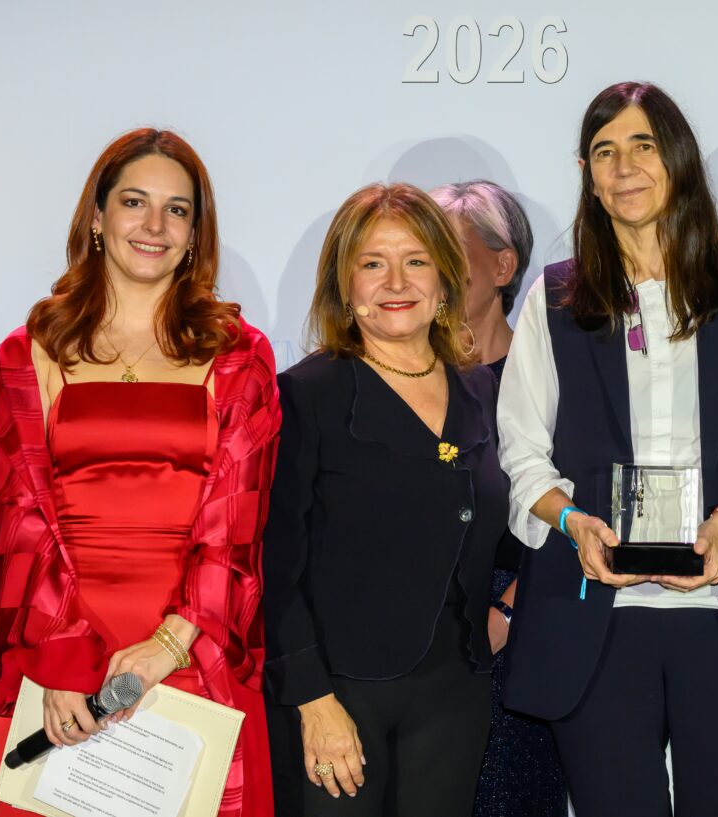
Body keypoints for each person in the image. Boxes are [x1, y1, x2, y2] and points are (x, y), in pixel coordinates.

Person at [497, 82, 718, 817]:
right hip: (599, 622)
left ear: (675, 158)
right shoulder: (555, 301)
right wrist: (571, 520)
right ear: (585, 172)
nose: (624, 167)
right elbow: (520, 451)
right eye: (604, 152)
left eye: (643, 145)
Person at [0, 128, 280, 817]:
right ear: (97, 217)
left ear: (196, 234)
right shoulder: (34, 349)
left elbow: (236, 529)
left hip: (195, 653)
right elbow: (17, 521)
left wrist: (168, 646)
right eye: (134, 201)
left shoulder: (240, 357)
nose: (154, 225)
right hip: (60, 669)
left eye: (177, 210)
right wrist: (61, 664)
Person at [262, 183, 509, 817]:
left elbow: (524, 525)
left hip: (455, 695)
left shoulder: (483, 390)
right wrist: (313, 702)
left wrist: (511, 610)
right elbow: (274, 567)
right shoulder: (305, 395)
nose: (396, 280)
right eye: (373, 263)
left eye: (416, 260)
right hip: (339, 701)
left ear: (445, 280)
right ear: (344, 287)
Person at [430, 180, 567, 817]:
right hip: (419, 639)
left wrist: (507, 615)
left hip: (523, 634)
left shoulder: (552, 381)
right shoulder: (403, 382)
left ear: (504, 265)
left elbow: (580, 510)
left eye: (448, 254)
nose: (431, 274)